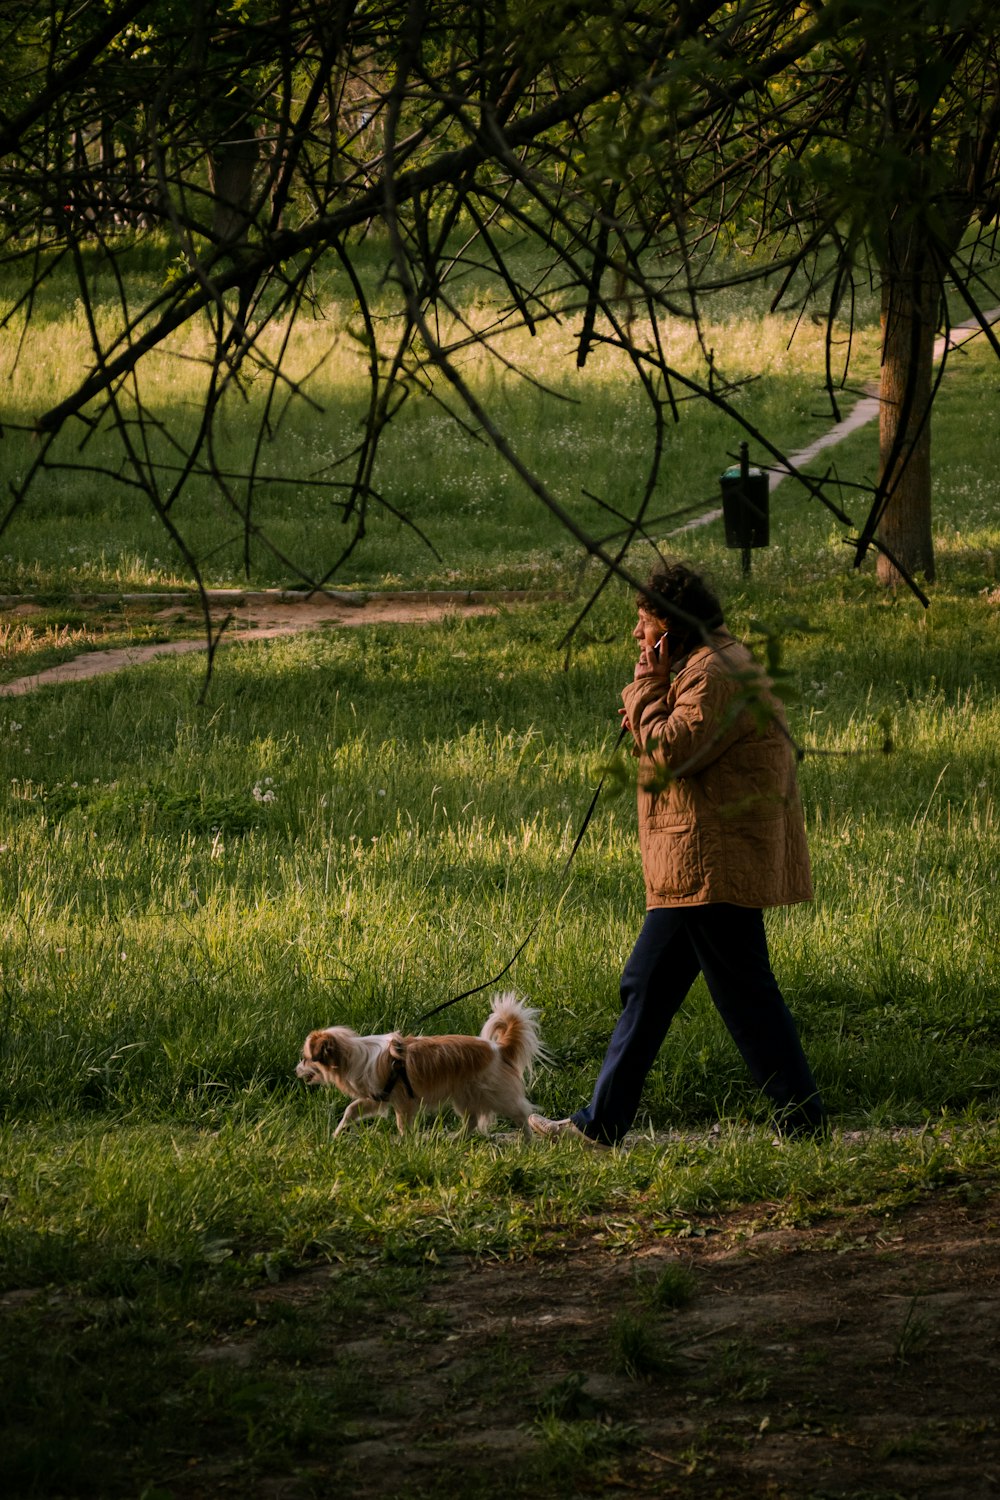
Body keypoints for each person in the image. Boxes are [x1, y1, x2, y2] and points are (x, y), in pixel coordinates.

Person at [529, 561, 826, 1147]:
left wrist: (644, 692)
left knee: (745, 1000)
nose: (636, 638)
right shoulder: (705, 666)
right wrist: (657, 696)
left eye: (643, 625)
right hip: (703, 859)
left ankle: (804, 1122)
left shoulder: (714, 672)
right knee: (650, 985)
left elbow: (671, 752)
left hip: (711, 862)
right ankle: (602, 1124)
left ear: (669, 627)